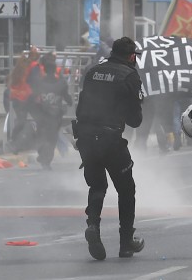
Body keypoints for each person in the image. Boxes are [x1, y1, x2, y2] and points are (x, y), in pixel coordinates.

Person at [75, 37, 145, 260]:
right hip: (110, 139)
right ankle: (126, 243)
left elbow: (80, 108)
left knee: (97, 186)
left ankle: (93, 226)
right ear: (132, 56)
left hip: (86, 137)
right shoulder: (129, 76)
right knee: (126, 189)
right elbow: (135, 121)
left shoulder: (93, 71)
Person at [31, 52, 73, 170]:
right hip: (55, 116)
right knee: (52, 138)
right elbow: (67, 98)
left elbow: (33, 97)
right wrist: (69, 102)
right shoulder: (61, 83)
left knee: (41, 136)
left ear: (44, 69)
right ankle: (46, 160)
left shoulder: (39, 82)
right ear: (55, 69)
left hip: (43, 115)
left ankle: (43, 156)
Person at [7, 46, 42, 152]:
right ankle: (39, 144)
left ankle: (13, 143)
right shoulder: (34, 66)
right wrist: (38, 95)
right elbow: (35, 82)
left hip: (17, 97)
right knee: (41, 120)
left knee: (21, 121)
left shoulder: (20, 66)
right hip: (28, 97)